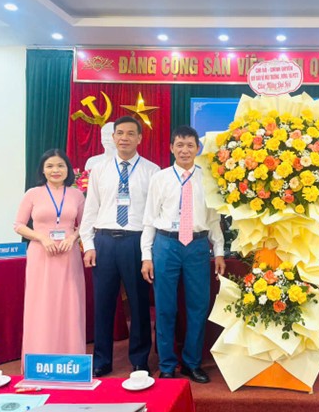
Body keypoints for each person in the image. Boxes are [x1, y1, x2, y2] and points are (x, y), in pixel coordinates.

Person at [140, 126, 226, 381]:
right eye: (179, 145)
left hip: (197, 246)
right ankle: (167, 365)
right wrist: (146, 256)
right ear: (171, 148)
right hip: (166, 245)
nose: (185, 150)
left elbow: (214, 220)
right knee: (165, 307)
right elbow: (149, 219)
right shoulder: (160, 178)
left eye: (190, 145)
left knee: (198, 306)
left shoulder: (208, 179)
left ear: (197, 149)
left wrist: (219, 252)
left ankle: (192, 363)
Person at [80, 115, 160, 377]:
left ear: (139, 138)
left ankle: (139, 360)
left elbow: (153, 214)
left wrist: (148, 251)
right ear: (113, 137)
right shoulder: (99, 169)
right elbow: (91, 208)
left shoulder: (152, 171)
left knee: (139, 303)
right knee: (103, 303)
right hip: (104, 241)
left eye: (130, 133)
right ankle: (102, 360)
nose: (125, 138)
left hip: (136, 241)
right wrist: (88, 244)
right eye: (120, 133)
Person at [14, 149, 86, 371]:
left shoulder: (76, 195)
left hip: (68, 256)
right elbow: (19, 225)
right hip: (41, 255)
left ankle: (71, 361)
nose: (56, 170)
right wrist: (42, 238)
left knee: (70, 305)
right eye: (50, 166)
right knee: (41, 305)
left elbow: (86, 224)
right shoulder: (33, 194)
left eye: (60, 166)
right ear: (43, 170)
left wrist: (73, 238)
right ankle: (39, 360)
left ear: (68, 169)